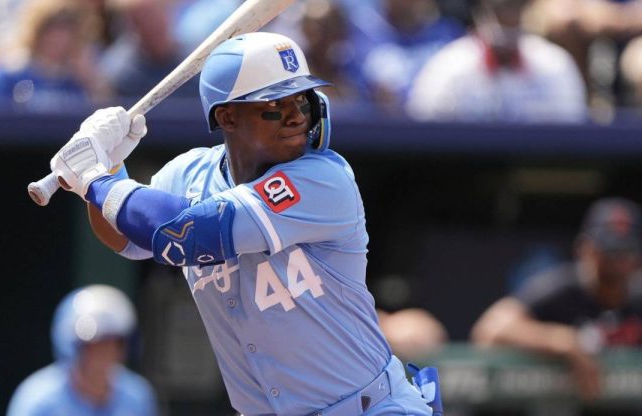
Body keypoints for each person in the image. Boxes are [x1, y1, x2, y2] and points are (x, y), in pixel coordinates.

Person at [48, 31, 442, 415]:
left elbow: (185, 235)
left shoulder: (324, 178)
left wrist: (94, 179)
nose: (296, 117)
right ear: (228, 116)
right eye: (274, 105)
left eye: (301, 100)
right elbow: (125, 237)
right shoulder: (190, 174)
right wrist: (109, 165)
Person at [471, 197, 642, 402]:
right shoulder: (562, 288)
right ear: (585, 248)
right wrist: (561, 342)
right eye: (611, 250)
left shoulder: (637, 295)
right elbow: (490, 328)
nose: (619, 261)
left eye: (627, 251)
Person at [405, 0, 588, 123]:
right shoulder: (450, 66)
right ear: (481, 17)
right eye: (500, 17)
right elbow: (424, 129)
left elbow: (571, 134)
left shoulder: (553, 64)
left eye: (514, 14)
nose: (507, 29)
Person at [6, 284, 158, 415]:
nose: (103, 354)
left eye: (113, 343)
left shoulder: (137, 396)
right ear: (72, 347)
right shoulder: (37, 398)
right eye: (93, 345)